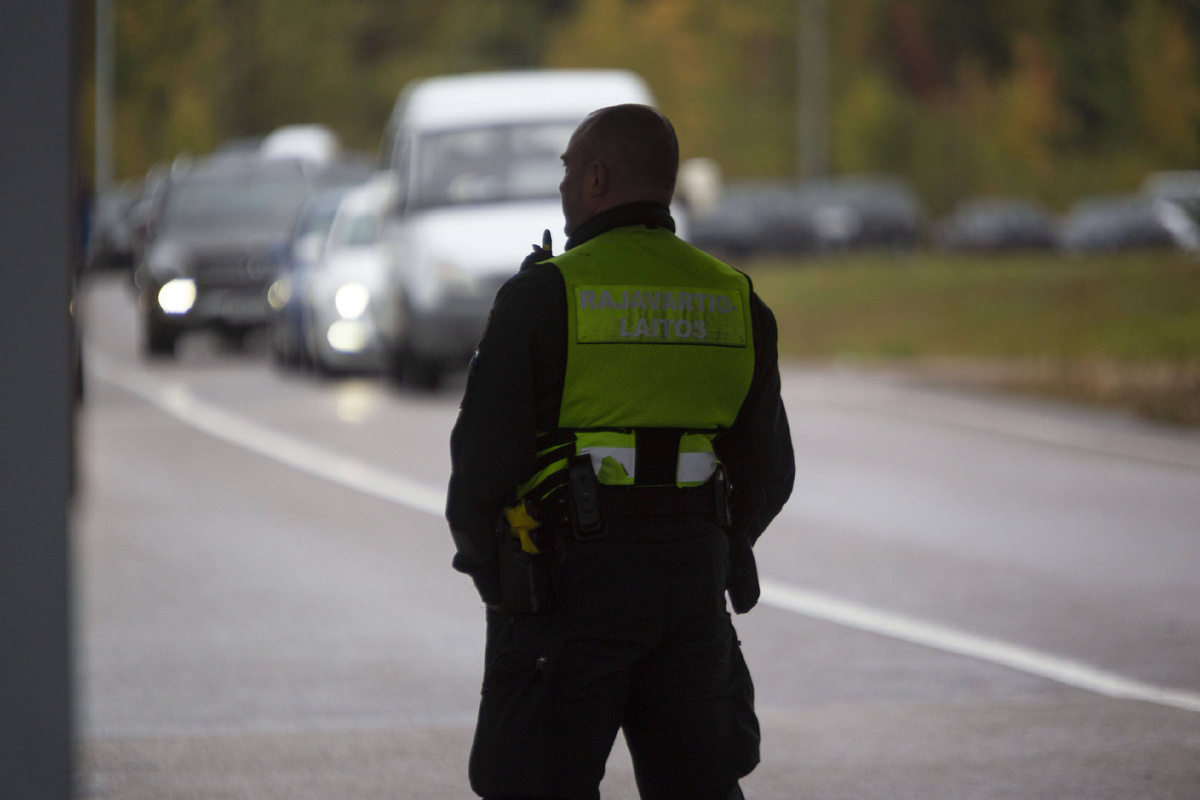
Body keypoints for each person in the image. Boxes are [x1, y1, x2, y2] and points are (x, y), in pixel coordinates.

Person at [446, 104, 794, 800]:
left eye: (569, 171)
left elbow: (481, 472)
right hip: (693, 587)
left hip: (572, 588)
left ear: (598, 178)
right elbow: (770, 471)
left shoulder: (546, 295)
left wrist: (508, 587)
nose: (565, 187)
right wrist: (717, 547)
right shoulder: (734, 299)